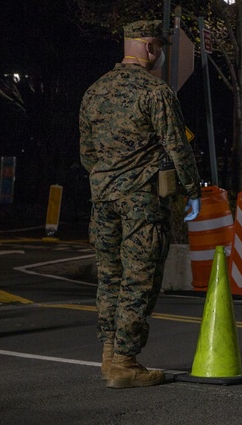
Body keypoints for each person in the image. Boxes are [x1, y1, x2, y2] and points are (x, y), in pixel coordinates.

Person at [79, 19, 202, 389]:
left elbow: (87, 153)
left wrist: (106, 179)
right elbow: (176, 147)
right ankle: (125, 361)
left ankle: (108, 353)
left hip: (102, 201)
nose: (161, 55)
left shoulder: (94, 91)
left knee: (109, 279)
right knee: (139, 279)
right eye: (159, 48)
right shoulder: (156, 92)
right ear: (149, 48)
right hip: (142, 202)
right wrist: (192, 190)